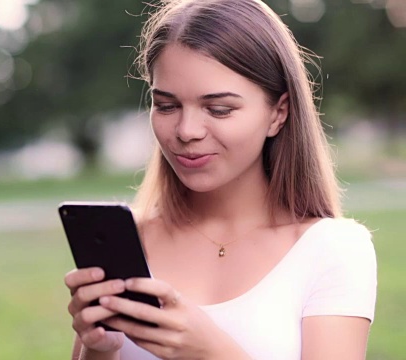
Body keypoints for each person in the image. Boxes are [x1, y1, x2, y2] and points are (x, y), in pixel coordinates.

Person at [63, 0, 378, 359]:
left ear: (278, 113)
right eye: (166, 105)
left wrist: (209, 351)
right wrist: (98, 347)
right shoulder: (130, 242)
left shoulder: (332, 249)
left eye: (219, 109)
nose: (186, 131)